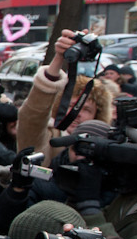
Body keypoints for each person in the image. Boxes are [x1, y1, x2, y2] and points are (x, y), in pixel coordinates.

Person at [16, 29, 113, 167]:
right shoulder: (50, 139)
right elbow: (32, 117)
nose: (77, 114)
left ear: (97, 115)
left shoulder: (108, 145)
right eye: (71, 106)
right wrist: (59, 57)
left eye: (86, 109)